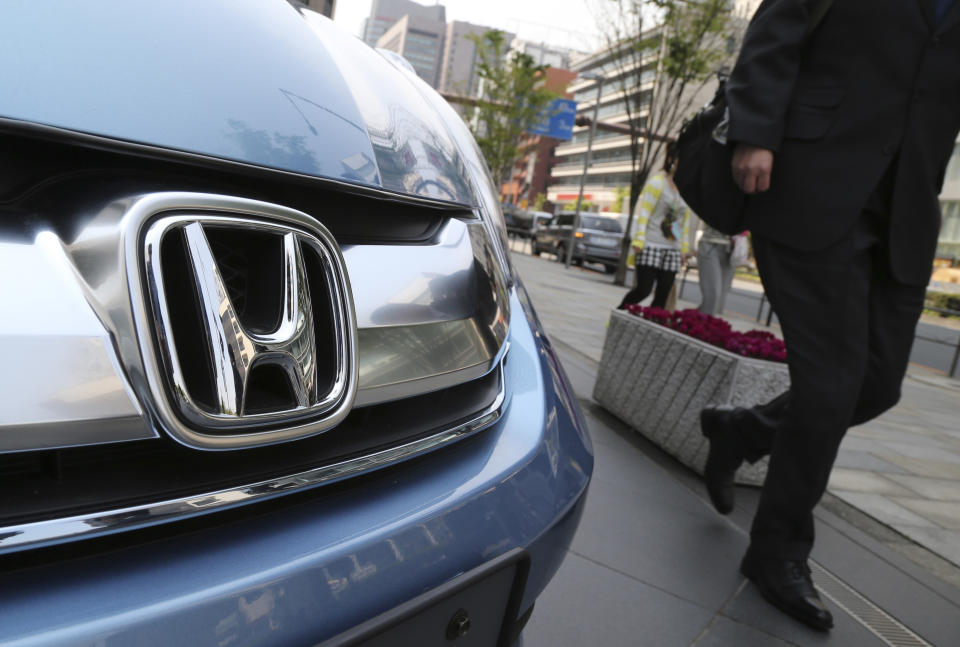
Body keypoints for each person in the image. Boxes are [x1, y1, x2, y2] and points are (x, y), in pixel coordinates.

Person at [699, 0, 960, 632]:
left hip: (906, 211)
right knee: (831, 386)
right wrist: (756, 130)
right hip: (810, 180)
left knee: (875, 385)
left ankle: (744, 431)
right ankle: (777, 553)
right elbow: (777, 25)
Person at [618, 146, 693, 310]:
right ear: (671, 159)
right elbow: (644, 213)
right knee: (643, 290)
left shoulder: (686, 189)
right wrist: (639, 239)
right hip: (651, 243)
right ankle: (619, 314)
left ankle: (651, 325)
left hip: (673, 247)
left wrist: (684, 249)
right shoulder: (657, 183)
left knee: (663, 295)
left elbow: (685, 222)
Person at [696, 224, 736, 316]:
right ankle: (700, 326)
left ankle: (694, 322)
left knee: (719, 302)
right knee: (713, 295)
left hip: (732, 248)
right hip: (710, 243)